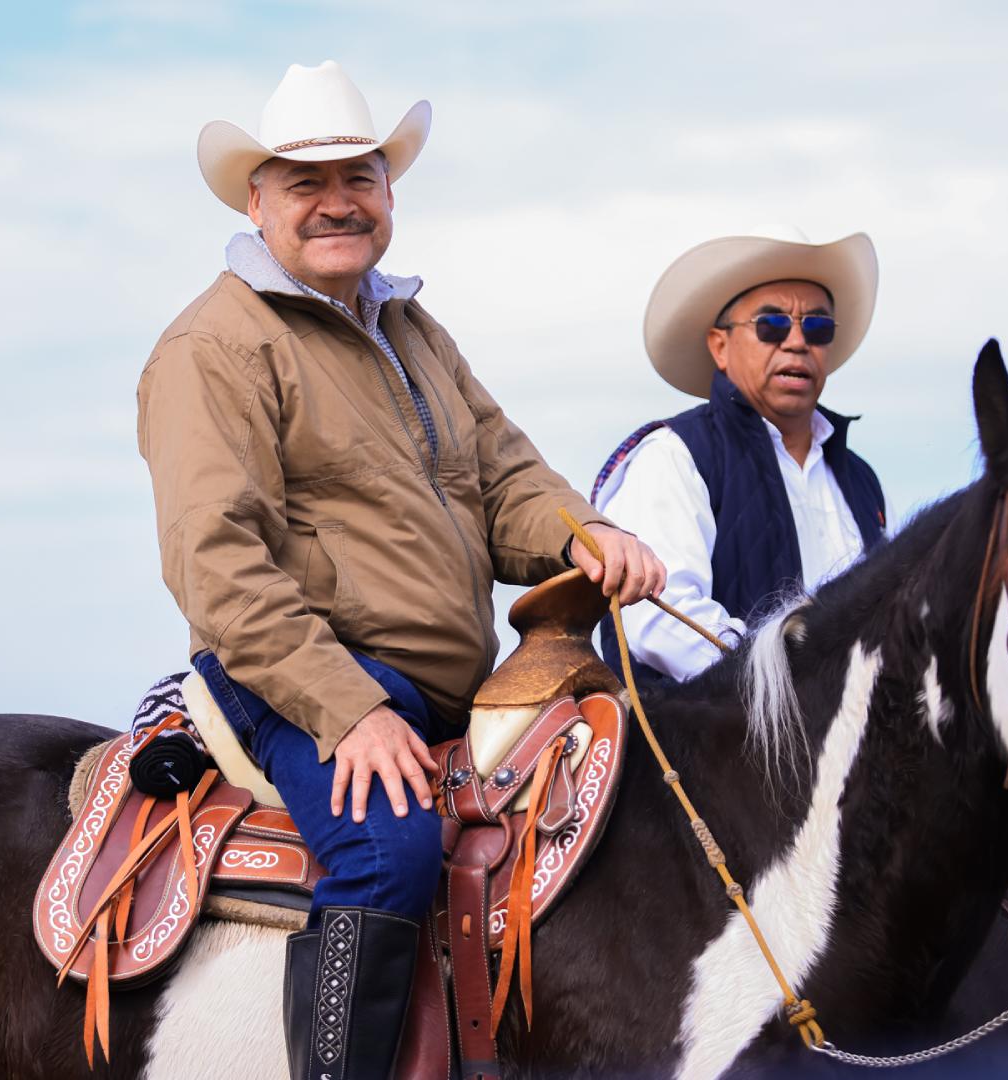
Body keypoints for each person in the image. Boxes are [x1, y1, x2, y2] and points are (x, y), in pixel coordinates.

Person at [141, 60, 666, 1078]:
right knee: (392, 850)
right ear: (259, 201)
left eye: (361, 178)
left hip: (447, 688)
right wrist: (350, 710)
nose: (339, 202)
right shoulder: (213, 345)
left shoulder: (410, 329)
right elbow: (216, 561)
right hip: (302, 676)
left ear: (389, 193)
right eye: (307, 182)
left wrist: (584, 535)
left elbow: (504, 472)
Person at [591, 225, 890, 681]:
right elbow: (658, 621)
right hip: (705, 744)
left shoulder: (860, 479)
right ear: (720, 346)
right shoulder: (675, 455)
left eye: (818, 326)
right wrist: (797, 688)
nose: (797, 341)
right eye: (771, 324)